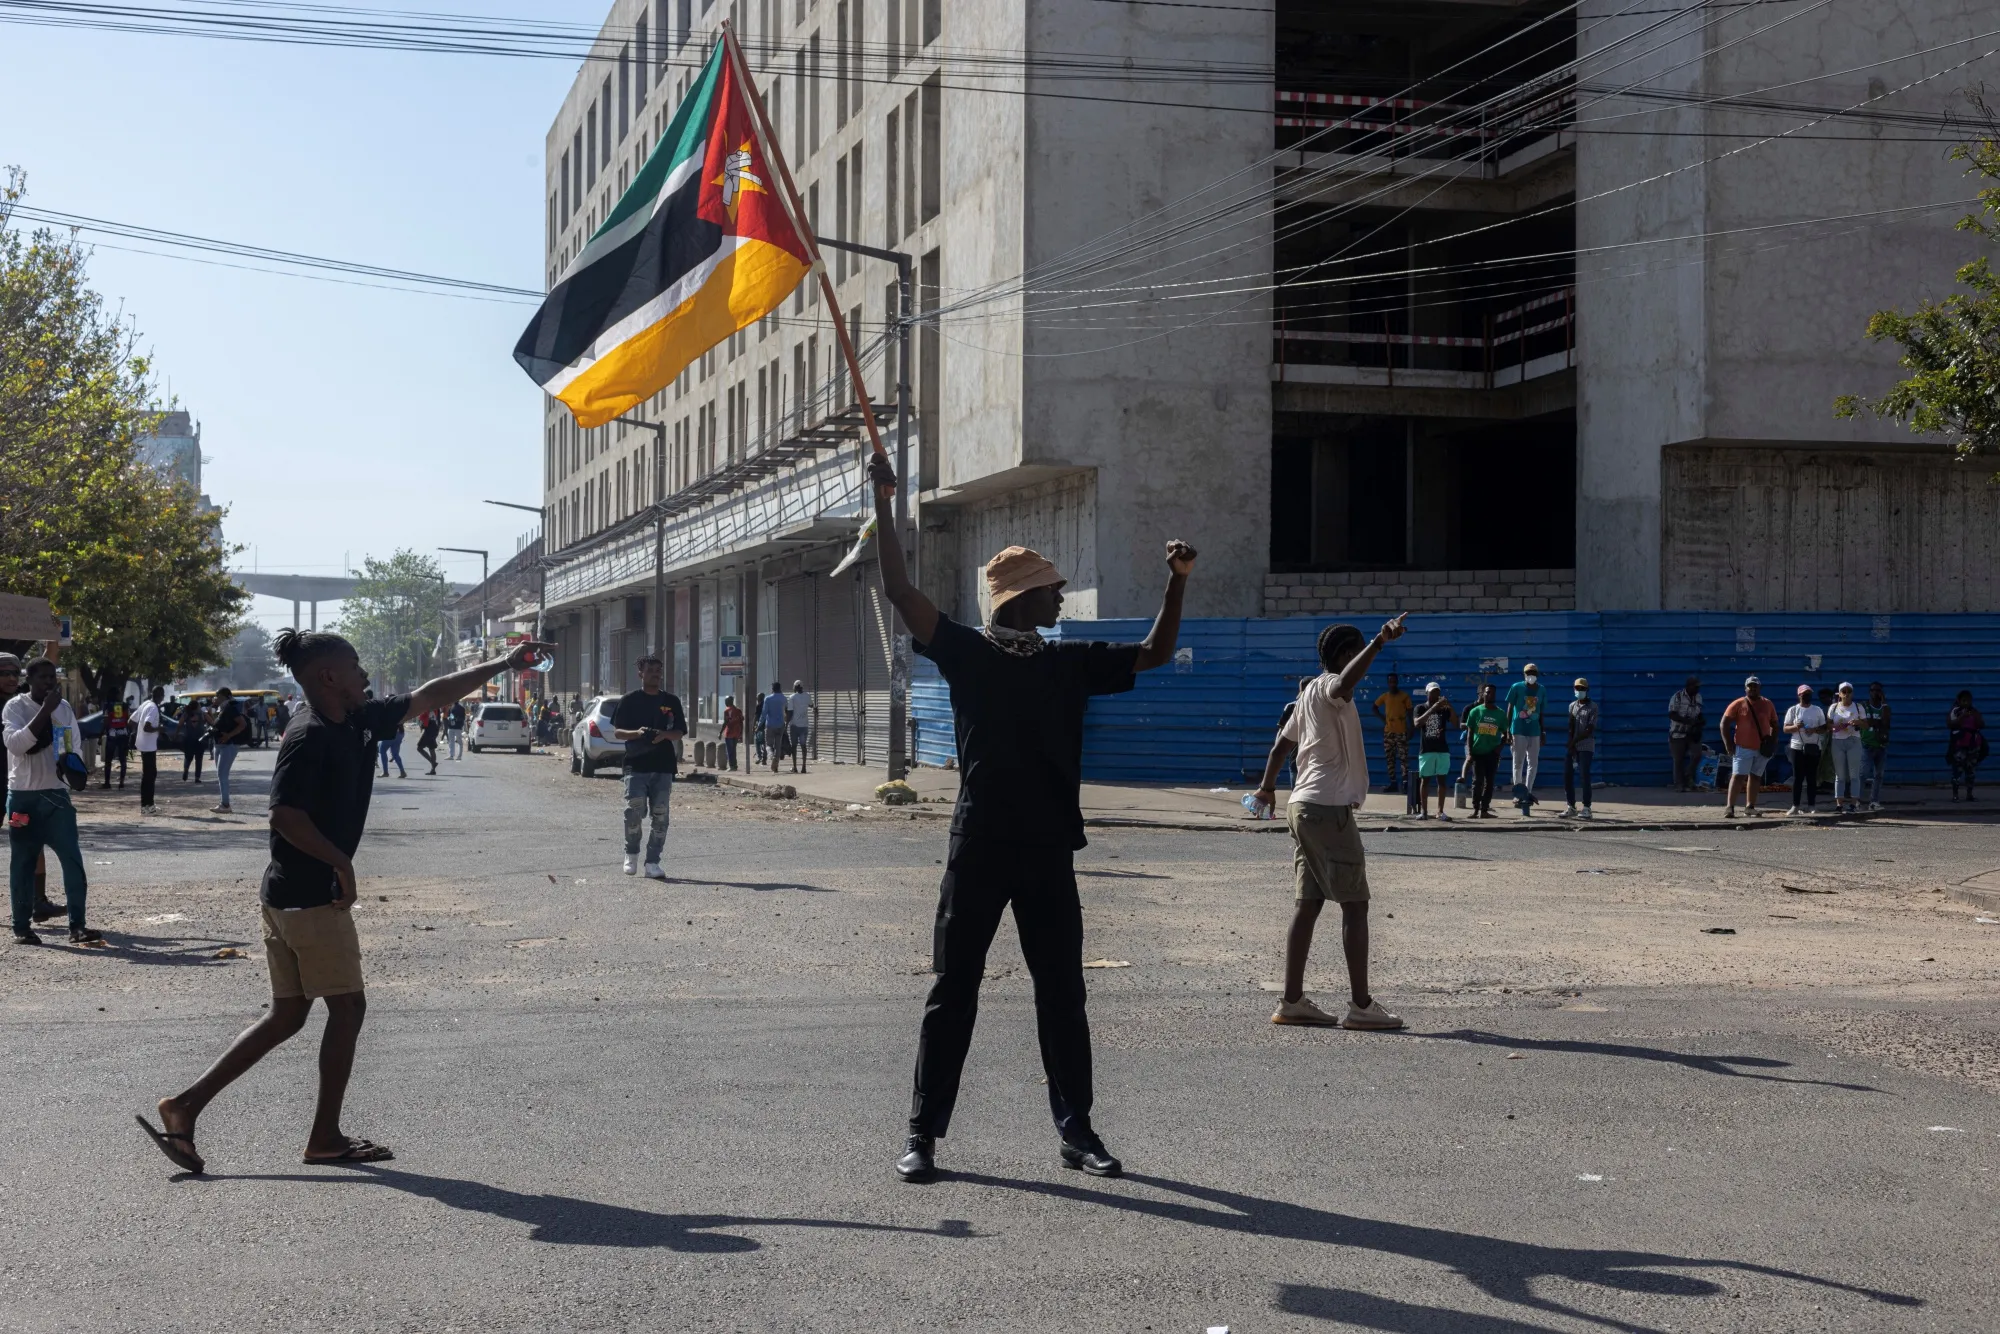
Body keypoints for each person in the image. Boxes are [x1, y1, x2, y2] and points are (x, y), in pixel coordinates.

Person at [867, 452, 1195, 1184]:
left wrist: (1177, 584)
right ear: (1021, 598)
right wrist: (884, 500)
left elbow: (1156, 651)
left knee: (1062, 993)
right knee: (955, 989)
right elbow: (897, 586)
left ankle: (1077, 1131)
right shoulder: (964, 653)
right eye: (1054, 591)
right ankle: (922, 1134)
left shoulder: (1067, 663)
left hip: (1047, 849)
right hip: (979, 844)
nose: (1063, 601)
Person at [137, 627, 553, 1175]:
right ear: (329, 676)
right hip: (309, 896)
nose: (364, 674)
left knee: (288, 1014)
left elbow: (433, 694)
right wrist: (340, 862)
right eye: (355, 665)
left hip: (286, 895)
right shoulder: (308, 735)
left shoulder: (357, 718)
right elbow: (284, 815)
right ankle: (324, 1137)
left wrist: (503, 661)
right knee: (348, 1007)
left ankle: (184, 1106)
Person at [1256, 613, 1409, 1037]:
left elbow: (1280, 748)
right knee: (1355, 905)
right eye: (1355, 649)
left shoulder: (1307, 697)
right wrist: (1379, 640)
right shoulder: (1328, 686)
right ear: (1344, 654)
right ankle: (1361, 1006)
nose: (1360, 656)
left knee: (1309, 904)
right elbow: (1343, 682)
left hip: (1302, 805)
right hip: (1326, 808)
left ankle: (1291, 1001)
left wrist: (1267, 789)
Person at [4, 658, 100, 946]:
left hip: (56, 797)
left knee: (72, 860)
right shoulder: (15, 707)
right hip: (22, 799)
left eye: (53, 677)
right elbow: (16, 744)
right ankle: (21, 927)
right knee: (22, 863)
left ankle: (77, 927)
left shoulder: (65, 708)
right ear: (29, 679)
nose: (50, 682)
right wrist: (45, 710)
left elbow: (71, 747)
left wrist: (72, 765)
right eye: (44, 677)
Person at [610, 654, 687, 879]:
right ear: (640, 673)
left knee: (660, 815)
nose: (655, 673)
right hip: (636, 764)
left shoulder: (671, 701)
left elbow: (679, 731)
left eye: (658, 669)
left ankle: (653, 862)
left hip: (663, 766)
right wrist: (638, 733)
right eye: (650, 669)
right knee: (633, 811)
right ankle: (631, 854)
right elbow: (617, 731)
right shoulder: (629, 700)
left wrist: (663, 735)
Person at [1721, 676, 1779, 819]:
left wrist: (1772, 741)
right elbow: (1724, 724)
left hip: (1762, 749)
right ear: (1745, 688)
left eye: (1755, 686)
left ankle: (1750, 807)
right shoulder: (1738, 704)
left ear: (1760, 688)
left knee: (1755, 777)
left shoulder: (1767, 704)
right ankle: (1730, 807)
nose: (1752, 689)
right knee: (1738, 776)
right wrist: (1728, 744)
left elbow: (1775, 724)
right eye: (1750, 686)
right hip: (1743, 747)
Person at [1503, 663, 1547, 813]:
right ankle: (1518, 793)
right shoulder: (1516, 687)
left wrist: (1543, 732)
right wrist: (1507, 730)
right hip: (1518, 730)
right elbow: (1509, 709)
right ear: (1523, 674)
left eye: (1533, 672)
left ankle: (1527, 791)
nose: (1531, 675)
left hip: (1534, 731)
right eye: (1528, 672)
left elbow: (1541, 712)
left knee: (1533, 763)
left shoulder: (1541, 690)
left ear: (1537, 674)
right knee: (1518, 762)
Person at [1410, 682, 1455, 820]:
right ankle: (1423, 812)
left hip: (1442, 749)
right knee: (1425, 781)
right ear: (1427, 693)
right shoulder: (1420, 708)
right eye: (1432, 692)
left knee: (1442, 781)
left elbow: (1456, 722)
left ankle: (1440, 811)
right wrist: (1433, 709)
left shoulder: (1444, 710)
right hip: (1427, 749)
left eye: (1437, 692)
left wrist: (1449, 706)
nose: (1435, 695)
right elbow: (1417, 723)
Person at [1462, 683, 1508, 819]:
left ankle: (1484, 810)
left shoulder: (1500, 714)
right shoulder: (1475, 711)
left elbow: (1506, 734)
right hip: (1477, 752)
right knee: (1477, 782)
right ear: (1483, 694)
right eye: (1487, 692)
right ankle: (1475, 809)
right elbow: (1470, 733)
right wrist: (1470, 752)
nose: (1489, 695)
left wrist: (1499, 748)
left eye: (1492, 693)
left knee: (1490, 782)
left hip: (1492, 754)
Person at [1781, 685, 1826, 816]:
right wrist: (1796, 726)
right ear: (1799, 695)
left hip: (1814, 746)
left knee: (1812, 777)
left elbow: (1824, 727)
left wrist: (1814, 730)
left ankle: (1812, 805)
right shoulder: (1793, 710)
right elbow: (1785, 728)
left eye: (1809, 693)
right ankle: (1795, 805)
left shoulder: (1817, 710)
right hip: (1797, 747)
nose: (1807, 696)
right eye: (1804, 694)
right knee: (1798, 777)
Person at [1825, 682, 1867, 815]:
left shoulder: (1858, 707)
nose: (1847, 694)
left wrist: (1857, 722)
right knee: (1840, 774)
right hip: (1838, 741)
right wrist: (1837, 726)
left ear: (1852, 693)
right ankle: (1839, 804)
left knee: (1854, 774)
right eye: (1844, 691)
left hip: (1853, 740)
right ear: (1840, 693)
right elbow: (1828, 725)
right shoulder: (1833, 707)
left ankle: (1854, 804)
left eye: (1849, 691)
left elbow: (1866, 724)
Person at [210, 687, 250, 814]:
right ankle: (223, 802)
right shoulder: (220, 709)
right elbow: (216, 724)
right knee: (220, 774)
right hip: (218, 745)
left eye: (218, 696)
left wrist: (229, 735)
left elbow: (242, 724)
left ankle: (225, 805)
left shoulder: (230, 708)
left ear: (225, 697)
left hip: (229, 745)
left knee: (222, 774)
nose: (216, 698)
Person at [1564, 677, 1598, 819]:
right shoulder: (1572, 706)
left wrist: (1575, 741)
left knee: (1584, 775)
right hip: (1573, 746)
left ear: (1587, 690)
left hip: (1586, 746)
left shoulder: (1593, 707)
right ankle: (1571, 806)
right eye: (1577, 688)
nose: (1579, 691)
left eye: (1582, 689)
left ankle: (1587, 807)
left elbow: (1589, 729)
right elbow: (1570, 726)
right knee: (1567, 775)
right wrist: (1570, 744)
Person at [1372, 674, 1413, 794]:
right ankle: (1393, 783)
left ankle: (1405, 784)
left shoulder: (1404, 696)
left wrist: (1411, 728)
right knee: (1390, 759)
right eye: (1390, 682)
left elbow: (1410, 712)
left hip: (1401, 732)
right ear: (1388, 683)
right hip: (1388, 733)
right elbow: (1374, 707)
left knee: (1404, 758)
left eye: (1394, 682)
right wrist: (1383, 719)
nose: (1392, 684)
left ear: (1397, 682)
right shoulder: (1385, 696)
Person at [1667, 676, 1705, 791]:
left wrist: (1700, 721)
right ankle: (1679, 784)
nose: (1698, 689)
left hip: (1692, 733)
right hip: (1678, 733)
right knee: (1678, 759)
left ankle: (1688, 775)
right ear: (1688, 687)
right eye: (1695, 687)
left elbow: (1698, 713)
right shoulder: (1677, 697)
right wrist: (1688, 721)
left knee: (1697, 754)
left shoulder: (1698, 697)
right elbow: (1672, 714)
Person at [1948, 691, 1985, 801]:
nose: (1966, 703)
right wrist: (1962, 717)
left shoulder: (1974, 711)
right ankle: (1955, 794)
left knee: (1971, 770)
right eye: (1964, 700)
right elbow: (1950, 724)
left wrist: (1975, 717)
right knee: (1957, 770)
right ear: (1959, 701)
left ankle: (1969, 794)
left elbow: (1982, 724)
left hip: (1973, 745)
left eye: (1968, 701)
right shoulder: (1955, 711)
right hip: (1960, 745)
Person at [134, 684, 165, 815]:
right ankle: (147, 806)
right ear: (161, 696)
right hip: (148, 747)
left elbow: (132, 720)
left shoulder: (145, 704)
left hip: (144, 745)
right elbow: (147, 727)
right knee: (149, 776)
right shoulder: (153, 708)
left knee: (149, 775)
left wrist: (137, 735)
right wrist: (159, 728)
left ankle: (147, 805)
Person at [1860, 682, 1890, 810]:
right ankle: (1857, 801)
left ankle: (1874, 801)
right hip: (1866, 745)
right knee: (1862, 774)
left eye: (1878, 691)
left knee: (1879, 775)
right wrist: (1878, 722)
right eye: (1873, 690)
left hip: (1881, 746)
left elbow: (1886, 723)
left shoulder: (1885, 708)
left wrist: (1884, 703)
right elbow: (1864, 723)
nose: (1875, 693)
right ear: (1869, 692)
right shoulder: (1863, 706)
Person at [101, 696, 131, 789]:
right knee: (123, 759)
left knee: (108, 760)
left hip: (112, 734)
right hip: (123, 733)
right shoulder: (125, 705)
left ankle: (107, 782)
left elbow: (106, 721)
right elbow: (129, 719)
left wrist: (101, 733)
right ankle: (121, 782)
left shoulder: (108, 706)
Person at [759, 682, 788, 774]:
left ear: (772, 689)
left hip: (770, 725)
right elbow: (786, 711)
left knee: (768, 745)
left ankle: (771, 757)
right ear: (780, 688)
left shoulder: (768, 699)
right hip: (780, 725)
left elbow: (764, 714)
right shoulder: (784, 698)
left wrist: (759, 725)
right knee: (778, 746)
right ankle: (776, 766)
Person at [179, 699, 209, 782]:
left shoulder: (186, 714)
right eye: (199, 705)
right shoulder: (203, 714)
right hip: (200, 739)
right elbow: (212, 722)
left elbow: (179, 724)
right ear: (197, 707)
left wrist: (177, 734)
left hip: (188, 738)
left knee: (188, 757)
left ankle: (186, 769)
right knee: (199, 759)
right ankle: (197, 778)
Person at [787, 680, 812, 774]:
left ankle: (794, 767)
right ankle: (804, 767)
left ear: (796, 687)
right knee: (803, 746)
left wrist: (786, 724)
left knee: (794, 746)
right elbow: (811, 705)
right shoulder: (808, 695)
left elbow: (790, 712)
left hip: (794, 725)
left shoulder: (792, 697)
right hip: (804, 725)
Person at [376, 711, 407, 779]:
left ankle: (385, 772)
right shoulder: (399, 713)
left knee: (382, 750)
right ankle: (402, 771)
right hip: (400, 733)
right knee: (395, 754)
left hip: (391, 733)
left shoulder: (387, 713)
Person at [720, 695, 743, 772]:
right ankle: (735, 765)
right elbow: (741, 722)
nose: (725, 703)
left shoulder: (727, 711)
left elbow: (725, 722)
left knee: (729, 751)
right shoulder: (738, 710)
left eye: (726, 701)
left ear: (729, 701)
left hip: (729, 733)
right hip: (736, 733)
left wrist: (720, 732)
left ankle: (731, 766)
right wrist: (741, 733)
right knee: (733, 750)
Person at [415, 710, 441, 775]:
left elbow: (423, 716)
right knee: (431, 748)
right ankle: (433, 770)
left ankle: (433, 763)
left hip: (430, 727)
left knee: (419, 748)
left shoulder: (428, 706)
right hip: (434, 727)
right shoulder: (436, 707)